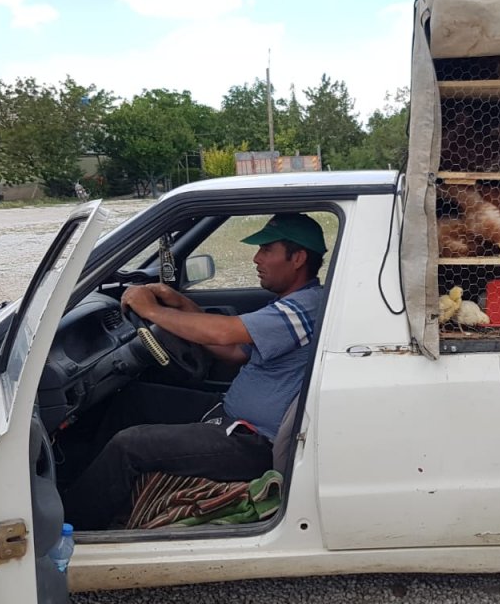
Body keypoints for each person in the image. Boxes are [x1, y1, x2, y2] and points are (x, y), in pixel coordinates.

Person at [61, 213, 328, 530]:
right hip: (229, 415)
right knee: (132, 400)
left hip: (254, 443)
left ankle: (72, 524)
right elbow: (232, 352)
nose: (256, 258)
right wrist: (180, 303)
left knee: (130, 444)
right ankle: (86, 484)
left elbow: (223, 334)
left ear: (297, 258)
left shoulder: (305, 308)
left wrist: (152, 310)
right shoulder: (289, 305)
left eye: (267, 250)